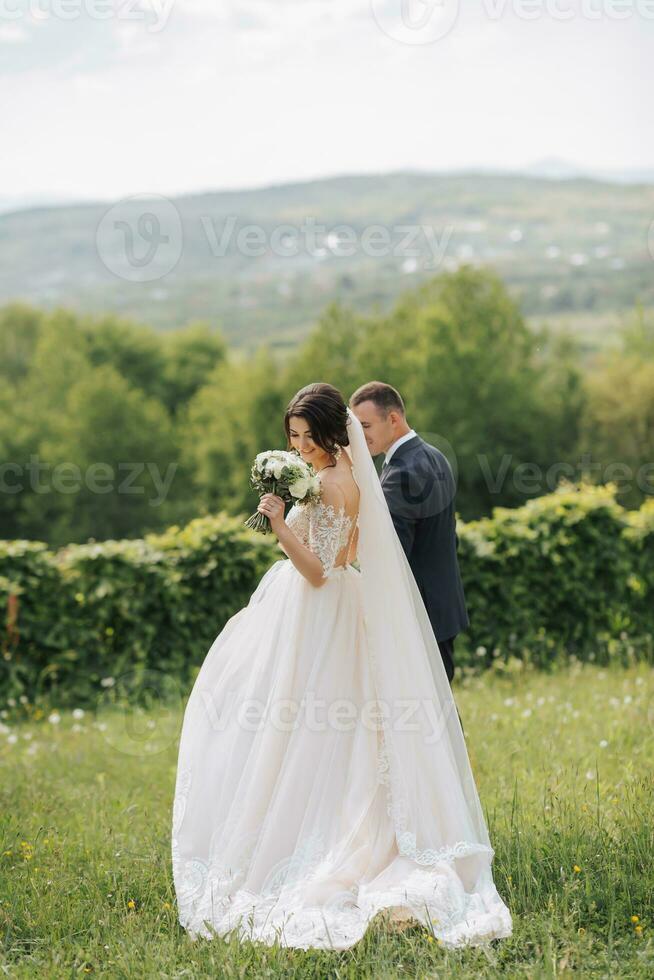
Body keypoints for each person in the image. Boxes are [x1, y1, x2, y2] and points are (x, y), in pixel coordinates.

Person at [171, 382, 512, 951]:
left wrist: (280, 522)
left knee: (297, 721)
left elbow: (320, 569)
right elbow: (353, 552)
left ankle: (299, 837)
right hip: (330, 611)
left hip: (316, 610)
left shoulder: (333, 482)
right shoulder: (351, 473)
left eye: (308, 436)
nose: (300, 447)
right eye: (293, 438)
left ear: (333, 433)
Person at [350, 382, 469, 684]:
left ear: (393, 418)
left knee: (422, 703)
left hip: (418, 612)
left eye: (366, 425)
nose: (360, 436)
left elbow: (389, 553)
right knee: (436, 702)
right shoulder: (435, 455)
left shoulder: (401, 474)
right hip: (443, 603)